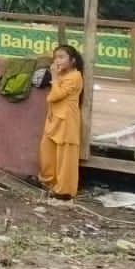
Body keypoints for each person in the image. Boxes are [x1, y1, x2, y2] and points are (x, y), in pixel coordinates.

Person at [38, 44, 84, 200]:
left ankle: (64, 191)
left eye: (61, 57)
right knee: (47, 151)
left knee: (65, 157)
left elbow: (54, 96)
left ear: (72, 61)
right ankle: (48, 182)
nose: (57, 61)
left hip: (66, 121)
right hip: (53, 119)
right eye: (55, 57)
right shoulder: (62, 75)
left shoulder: (75, 76)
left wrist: (55, 77)